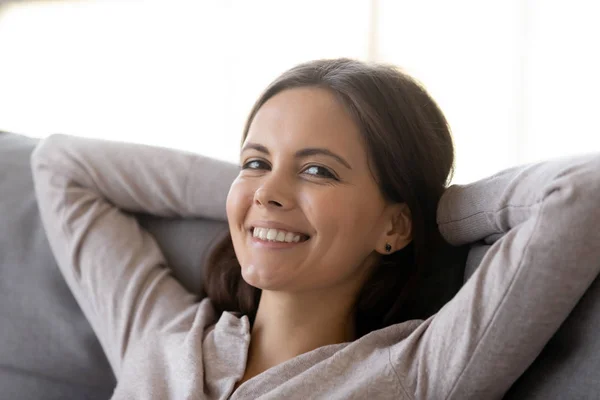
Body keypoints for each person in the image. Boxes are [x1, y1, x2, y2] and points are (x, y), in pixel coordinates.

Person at [31, 58, 600, 399]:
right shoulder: (159, 333)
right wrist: (250, 198)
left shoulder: (415, 372)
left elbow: (581, 191)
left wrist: (432, 213)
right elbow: (62, 164)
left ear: (394, 226)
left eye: (317, 170)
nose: (270, 189)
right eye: (256, 161)